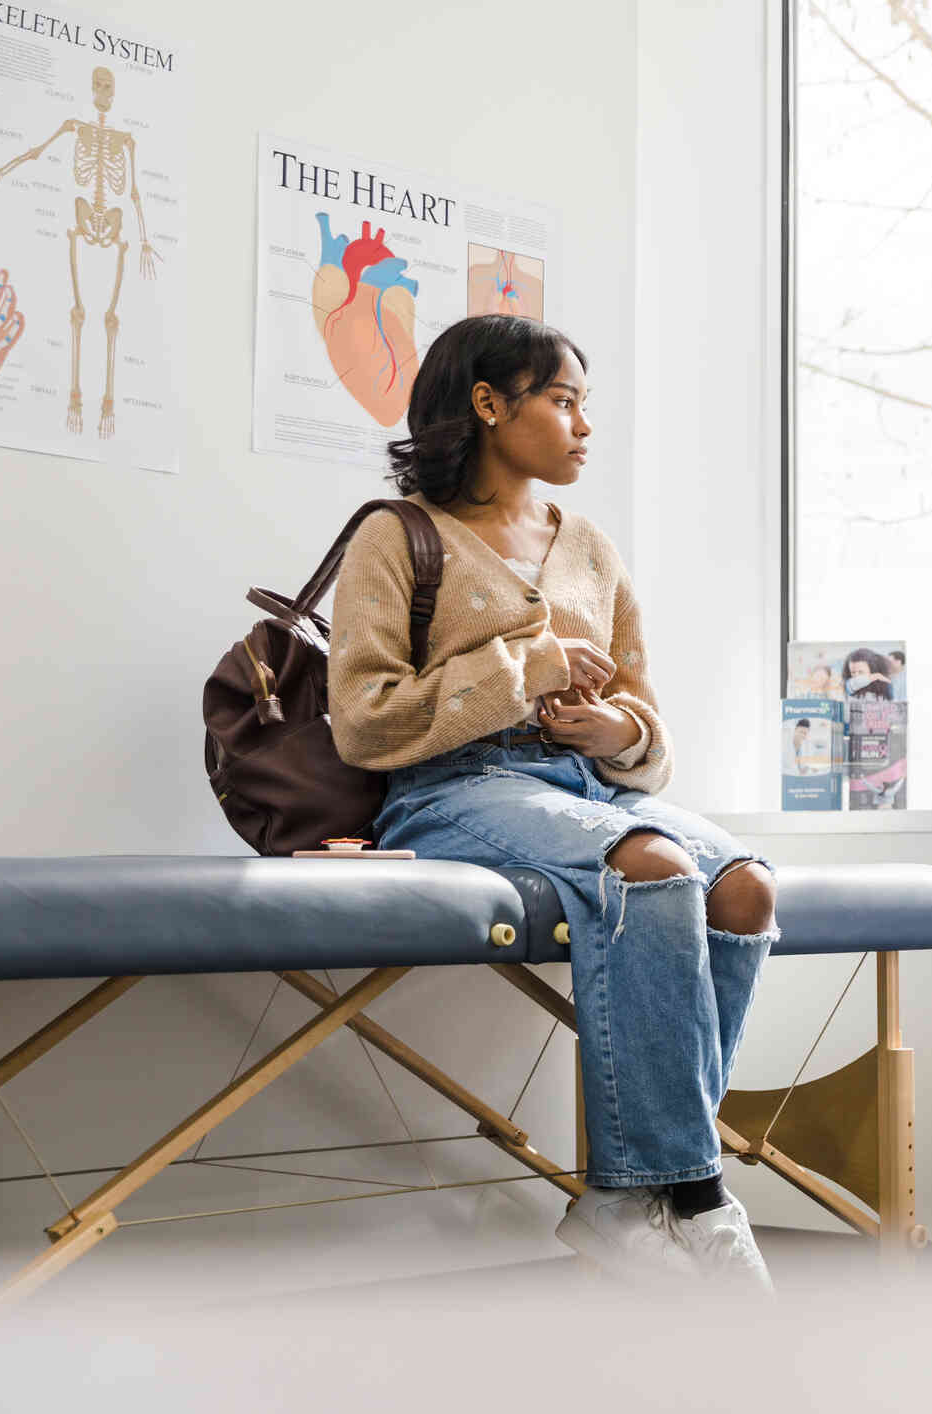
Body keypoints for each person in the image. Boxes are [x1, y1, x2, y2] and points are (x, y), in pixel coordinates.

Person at [327, 314, 778, 1294]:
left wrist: (617, 734)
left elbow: (646, 732)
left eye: (585, 405)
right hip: (452, 791)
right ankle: (692, 1193)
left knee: (743, 888)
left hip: (585, 791)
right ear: (490, 405)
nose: (583, 426)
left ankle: (626, 1203)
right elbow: (363, 723)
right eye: (563, 401)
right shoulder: (395, 534)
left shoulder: (595, 551)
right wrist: (524, 669)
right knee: (653, 864)